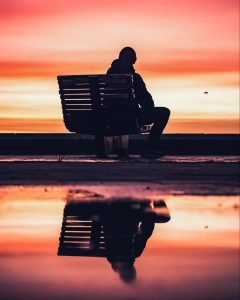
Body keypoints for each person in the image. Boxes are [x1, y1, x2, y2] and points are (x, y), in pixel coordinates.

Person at [107, 47, 170, 158]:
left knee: (122, 114)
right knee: (164, 112)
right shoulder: (134, 78)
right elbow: (148, 104)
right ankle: (149, 149)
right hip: (130, 118)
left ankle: (109, 150)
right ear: (133, 61)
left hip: (109, 118)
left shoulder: (107, 77)